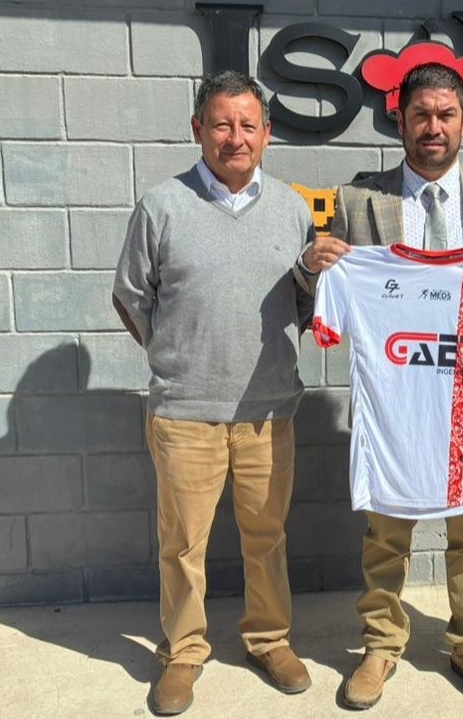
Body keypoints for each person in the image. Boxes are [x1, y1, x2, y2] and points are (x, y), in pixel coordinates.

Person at [296, 62, 463, 710]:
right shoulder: (358, 200)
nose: (433, 127)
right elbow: (325, 287)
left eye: (446, 115)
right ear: (400, 121)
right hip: (397, 406)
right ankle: (381, 644)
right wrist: (311, 266)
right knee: (386, 535)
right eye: (420, 114)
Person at [112, 70, 316, 716]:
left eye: (248, 125)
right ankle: (183, 651)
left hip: (268, 411)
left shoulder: (292, 209)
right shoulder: (161, 206)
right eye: (222, 124)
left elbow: (307, 303)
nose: (236, 137)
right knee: (182, 545)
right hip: (184, 412)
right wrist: (174, 355)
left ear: (267, 134)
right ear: (198, 129)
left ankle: (269, 638)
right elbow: (130, 296)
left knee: (267, 535)